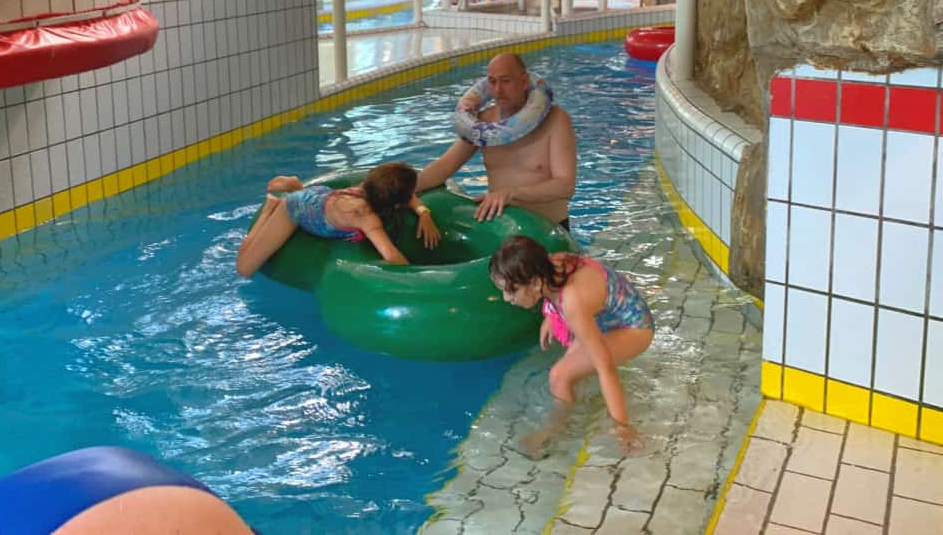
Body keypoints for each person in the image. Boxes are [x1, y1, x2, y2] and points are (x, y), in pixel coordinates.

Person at [489, 235, 655, 456]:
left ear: (536, 283)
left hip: (634, 326)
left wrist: (622, 428)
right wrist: (551, 316)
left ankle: (552, 434)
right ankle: (566, 418)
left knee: (560, 375)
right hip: (606, 314)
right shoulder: (548, 264)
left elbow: (606, 368)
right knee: (567, 370)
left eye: (511, 290)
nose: (506, 298)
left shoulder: (573, 302)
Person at [415, 52, 577, 230]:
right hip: (503, 228)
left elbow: (565, 186)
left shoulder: (556, 120)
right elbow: (445, 166)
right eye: (492, 82)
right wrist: (402, 191)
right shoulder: (482, 125)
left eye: (506, 81)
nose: (498, 90)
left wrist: (511, 193)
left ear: (523, 82)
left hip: (550, 229)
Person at [236, 162, 440, 277]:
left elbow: (405, 195)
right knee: (244, 269)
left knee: (320, 204)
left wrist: (423, 212)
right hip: (297, 208)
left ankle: (296, 185)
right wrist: (422, 277)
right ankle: (271, 208)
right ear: (397, 203)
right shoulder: (367, 218)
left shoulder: (369, 188)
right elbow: (393, 258)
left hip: (323, 197)